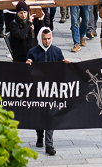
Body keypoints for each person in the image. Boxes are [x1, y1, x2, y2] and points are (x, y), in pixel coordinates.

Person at [26, 27, 70, 156]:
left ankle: (49, 144)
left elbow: (62, 67)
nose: (47, 41)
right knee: (38, 115)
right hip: (37, 89)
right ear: (40, 38)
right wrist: (28, 64)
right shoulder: (33, 52)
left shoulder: (56, 51)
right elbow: (28, 71)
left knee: (50, 116)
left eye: (49, 39)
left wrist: (66, 64)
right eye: (44, 39)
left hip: (51, 89)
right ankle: (40, 135)